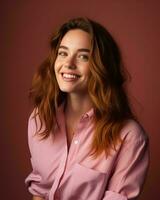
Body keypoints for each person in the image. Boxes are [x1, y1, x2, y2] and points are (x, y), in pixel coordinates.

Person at [25, 17, 149, 200]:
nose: (68, 63)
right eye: (63, 53)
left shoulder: (129, 137)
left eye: (83, 56)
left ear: (102, 67)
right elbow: (40, 191)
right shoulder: (40, 118)